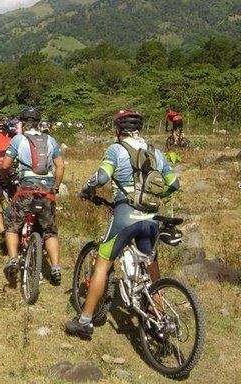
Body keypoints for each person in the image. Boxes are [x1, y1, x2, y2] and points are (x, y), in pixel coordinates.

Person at [65, 109, 180, 339]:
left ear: (118, 129)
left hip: (125, 215)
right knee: (150, 266)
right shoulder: (155, 151)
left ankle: (85, 321)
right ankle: (158, 317)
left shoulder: (116, 149)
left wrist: (87, 187)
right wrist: (155, 196)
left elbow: (102, 177)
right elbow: (174, 183)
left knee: (102, 263)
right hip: (152, 218)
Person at [1, 107, 64, 285]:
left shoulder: (18, 139)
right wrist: (56, 187)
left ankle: (13, 259)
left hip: (26, 188)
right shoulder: (51, 140)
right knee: (50, 231)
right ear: (39, 122)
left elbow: (6, 165)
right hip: (47, 190)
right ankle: (56, 267)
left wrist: (4, 176)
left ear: (21, 122)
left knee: (12, 223)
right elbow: (60, 166)